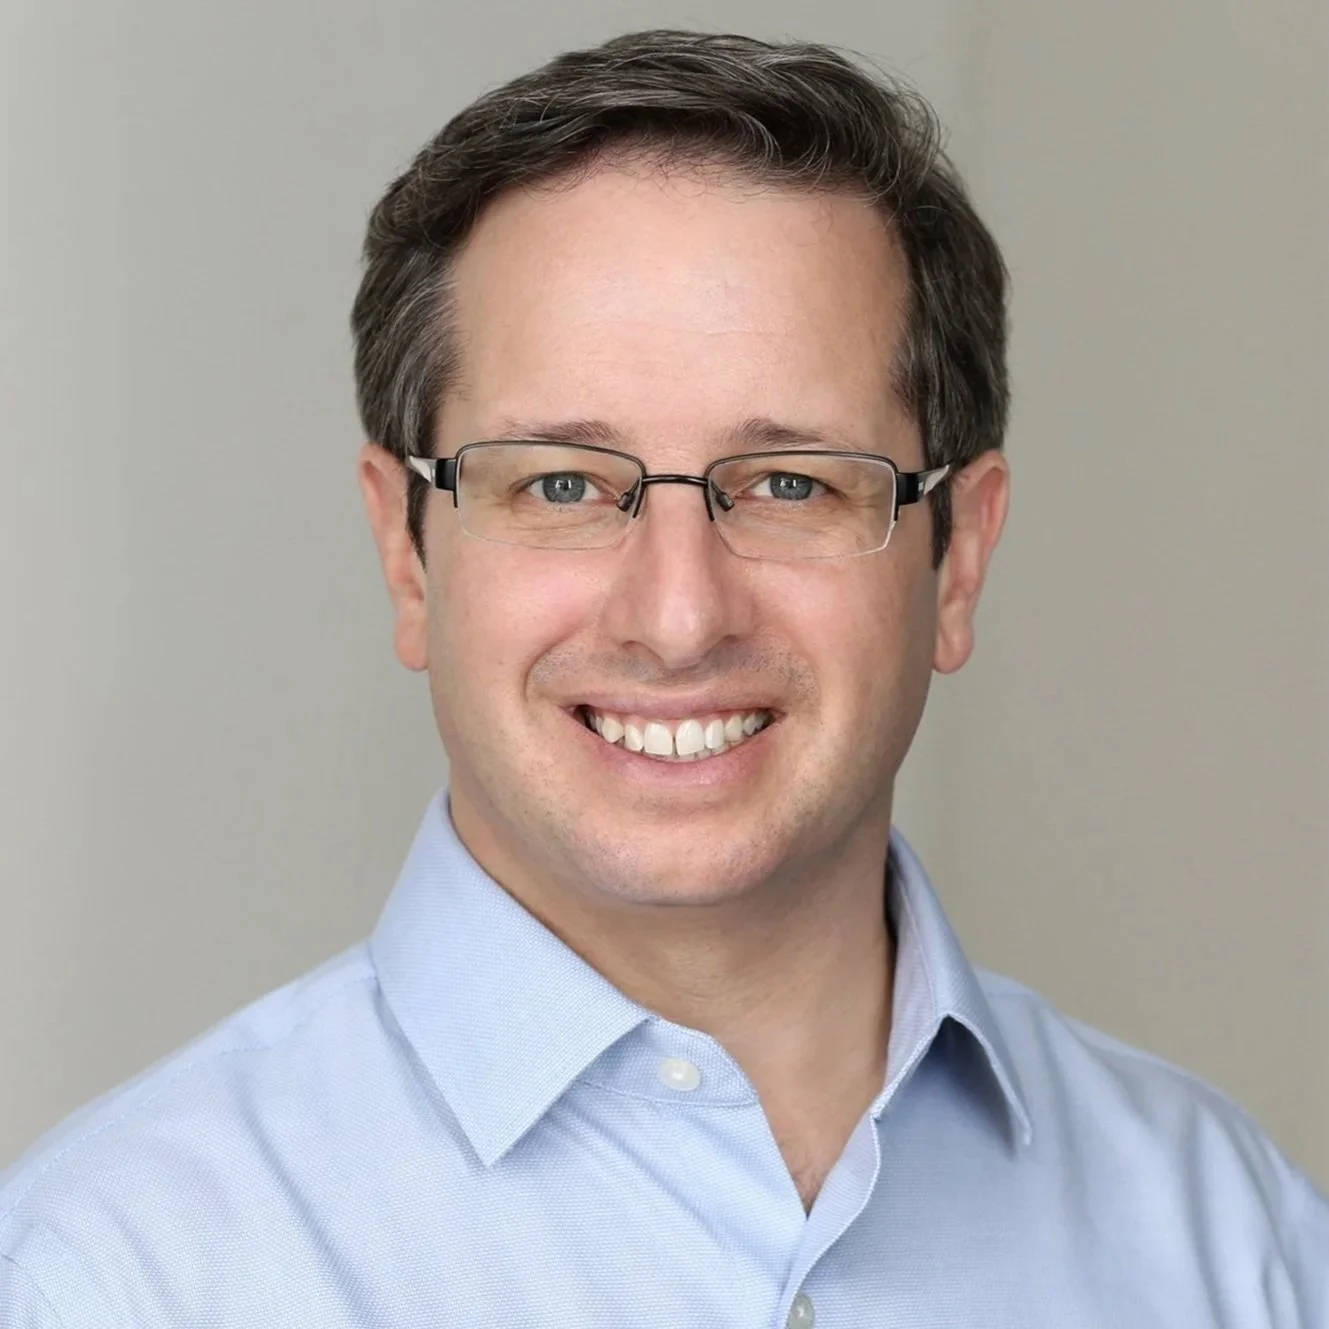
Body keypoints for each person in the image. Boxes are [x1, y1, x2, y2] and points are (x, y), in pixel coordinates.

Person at [2, 27, 1324, 1328]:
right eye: (563, 483)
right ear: (406, 555)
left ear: (957, 561)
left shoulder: (1235, 1240)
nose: (680, 615)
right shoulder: (117, 1276)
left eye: (794, 482)